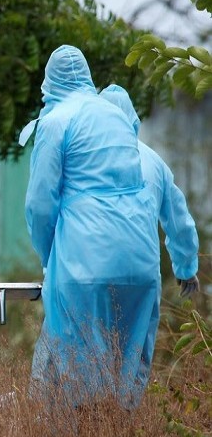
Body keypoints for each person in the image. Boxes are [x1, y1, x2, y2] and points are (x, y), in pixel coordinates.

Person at [20, 45, 160, 409]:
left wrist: (51, 257)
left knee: (72, 389)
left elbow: (39, 205)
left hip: (85, 267)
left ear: (48, 83)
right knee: (125, 379)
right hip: (142, 263)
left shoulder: (55, 122)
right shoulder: (115, 116)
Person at [100, 84, 201, 299]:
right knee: (139, 333)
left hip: (91, 270)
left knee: (89, 332)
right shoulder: (155, 162)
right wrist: (186, 268)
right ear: (132, 118)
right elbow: (179, 221)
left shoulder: (83, 161)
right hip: (143, 272)